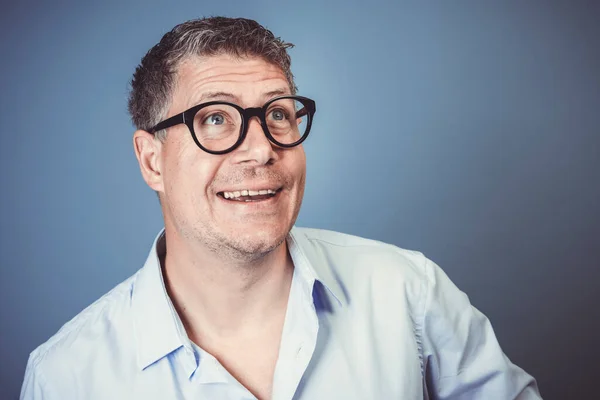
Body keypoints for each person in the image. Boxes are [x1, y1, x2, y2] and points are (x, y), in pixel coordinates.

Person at [20, 17, 542, 400]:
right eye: (216, 119)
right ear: (152, 160)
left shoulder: (409, 292)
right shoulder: (66, 376)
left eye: (278, 114)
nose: (262, 148)